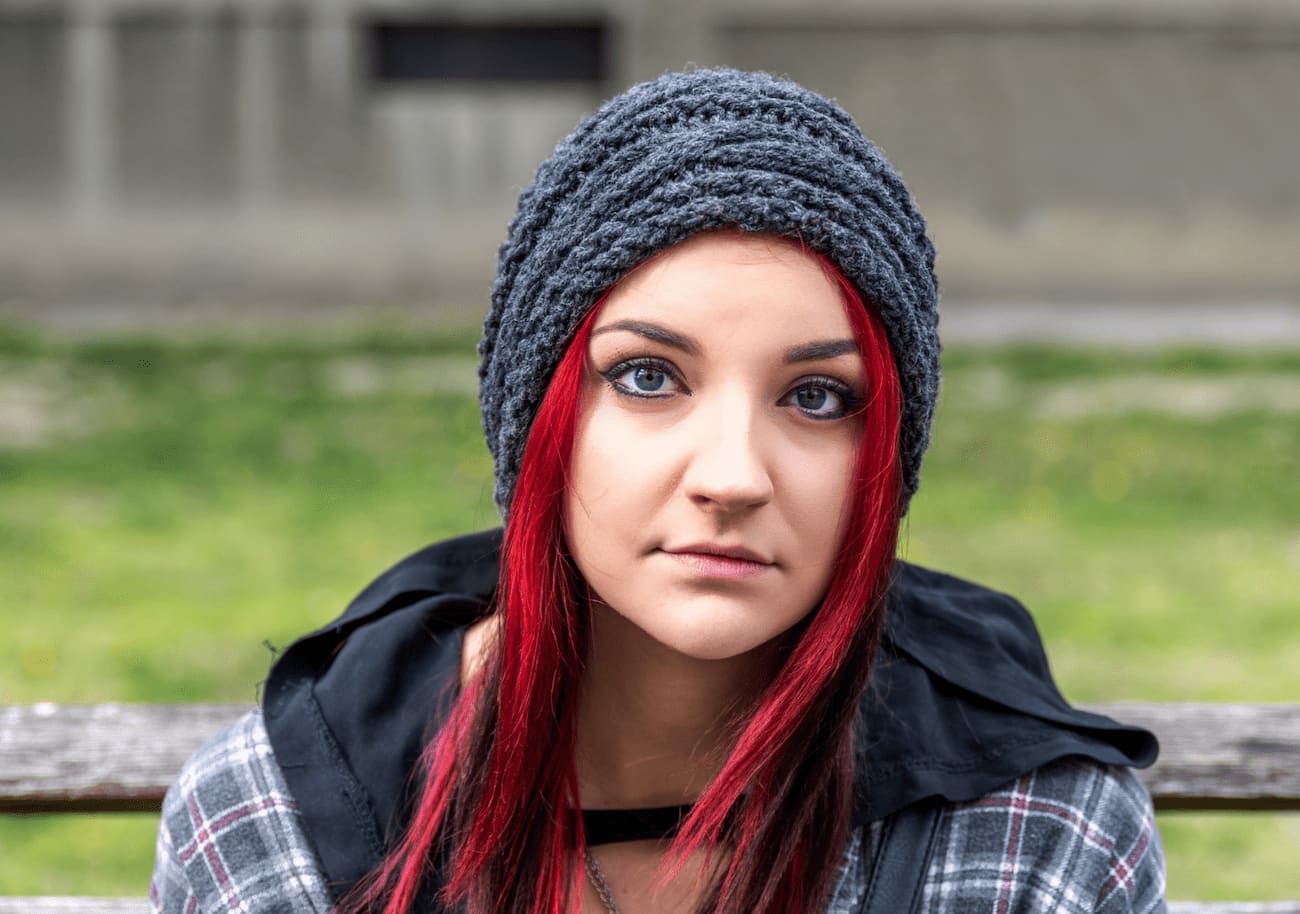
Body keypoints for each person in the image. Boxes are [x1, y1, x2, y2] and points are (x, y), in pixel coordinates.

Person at [149, 68, 1166, 914]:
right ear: (538, 417)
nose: (731, 475)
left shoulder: (1029, 834)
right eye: (647, 376)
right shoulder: (277, 823)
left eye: (816, 395)